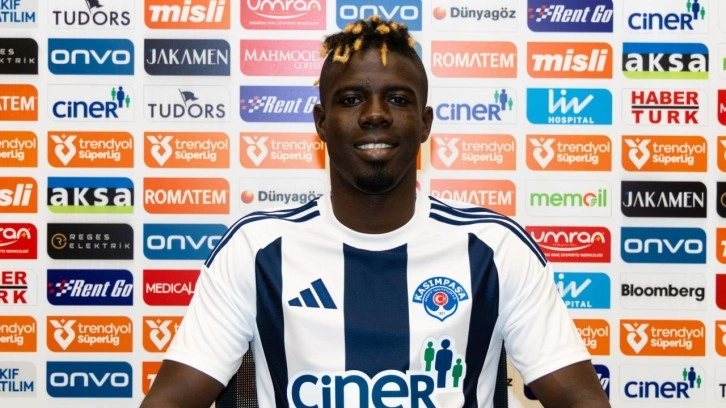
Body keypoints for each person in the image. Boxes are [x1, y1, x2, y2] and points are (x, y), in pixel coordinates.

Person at [141, 15, 610, 408]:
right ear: (320, 123)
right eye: (351, 100)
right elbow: (171, 399)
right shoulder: (257, 249)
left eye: (398, 99)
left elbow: (581, 399)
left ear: (425, 123)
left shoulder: (495, 249)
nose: (375, 114)